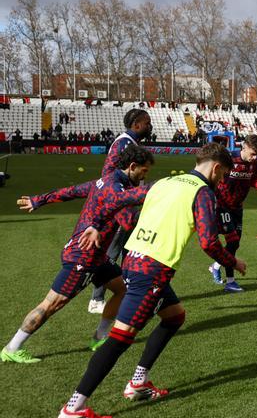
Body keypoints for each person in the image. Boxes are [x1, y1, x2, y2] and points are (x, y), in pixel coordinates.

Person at [58, 143, 246, 418]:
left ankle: (138, 382)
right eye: (223, 175)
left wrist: (95, 223)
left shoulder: (165, 182)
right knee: (120, 339)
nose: (221, 182)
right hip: (152, 270)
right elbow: (208, 242)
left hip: (134, 260)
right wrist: (233, 261)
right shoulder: (203, 192)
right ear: (217, 168)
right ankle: (74, 407)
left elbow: (114, 200)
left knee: (175, 316)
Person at [1, 146, 154, 364]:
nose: (144, 175)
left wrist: (40, 200)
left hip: (97, 256)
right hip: (84, 256)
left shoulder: (107, 181)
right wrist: (150, 200)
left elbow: (72, 191)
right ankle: (12, 347)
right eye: (144, 171)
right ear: (132, 167)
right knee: (51, 304)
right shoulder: (116, 190)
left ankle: (99, 337)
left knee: (123, 289)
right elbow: (129, 221)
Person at [89, 108, 154, 315]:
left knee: (129, 248)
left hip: (128, 202)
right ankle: (97, 299)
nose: (149, 126)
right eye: (146, 122)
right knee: (113, 250)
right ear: (136, 124)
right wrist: (122, 200)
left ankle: (129, 293)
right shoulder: (124, 143)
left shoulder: (131, 143)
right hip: (122, 204)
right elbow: (109, 173)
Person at [208, 134, 257, 292]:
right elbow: (212, 177)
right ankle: (230, 282)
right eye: (253, 153)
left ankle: (215, 266)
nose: (255, 157)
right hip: (222, 205)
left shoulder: (256, 162)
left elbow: (252, 180)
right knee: (233, 241)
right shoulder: (228, 159)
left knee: (234, 244)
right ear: (245, 147)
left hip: (238, 207)